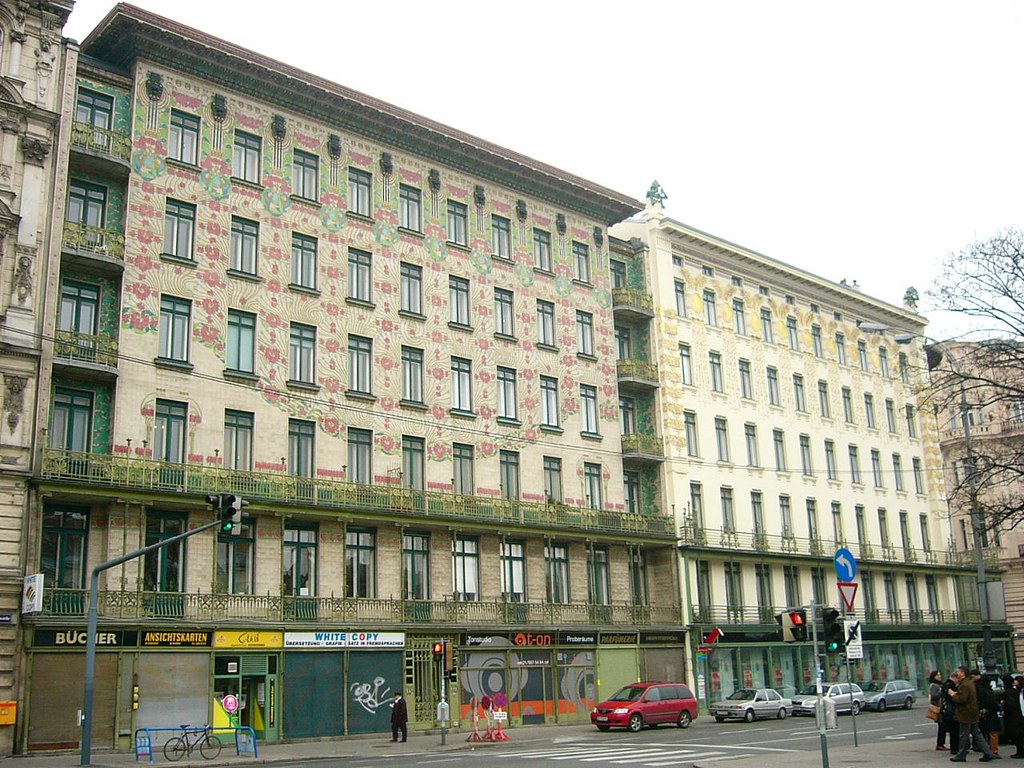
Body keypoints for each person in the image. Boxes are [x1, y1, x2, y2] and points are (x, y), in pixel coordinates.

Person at [949, 665, 998, 762]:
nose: (957, 673)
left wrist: (953, 695)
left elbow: (962, 699)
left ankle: (961, 755)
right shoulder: (969, 683)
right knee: (977, 733)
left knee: (964, 735)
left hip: (966, 713)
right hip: (972, 712)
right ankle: (987, 753)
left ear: (963, 673)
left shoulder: (964, 685)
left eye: (958, 671)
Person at [976, 670, 1002, 756]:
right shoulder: (987, 691)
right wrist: (998, 707)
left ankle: (988, 749)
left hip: (984, 713)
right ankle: (994, 750)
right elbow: (992, 703)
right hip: (990, 713)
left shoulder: (980, 690)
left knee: (985, 732)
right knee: (993, 733)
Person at [1003, 675, 1024, 759]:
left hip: (1015, 716)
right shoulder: (1016, 691)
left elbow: (1011, 704)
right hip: (1019, 714)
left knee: (1016, 734)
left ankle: (1020, 751)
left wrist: (1005, 711)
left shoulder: (1010, 692)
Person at [931, 670, 951, 751]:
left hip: (943, 707)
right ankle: (940, 744)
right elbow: (934, 696)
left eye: (940, 675)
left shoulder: (940, 684)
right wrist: (942, 691)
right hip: (939, 708)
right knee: (942, 726)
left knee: (944, 726)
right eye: (937, 675)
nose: (939, 676)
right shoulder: (934, 685)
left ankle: (941, 743)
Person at [944, 671, 963, 755]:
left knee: (952, 731)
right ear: (955, 677)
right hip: (953, 710)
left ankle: (954, 748)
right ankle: (956, 748)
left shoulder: (945, 684)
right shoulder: (951, 686)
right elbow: (955, 698)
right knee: (955, 730)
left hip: (947, 710)